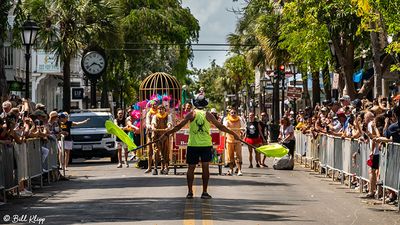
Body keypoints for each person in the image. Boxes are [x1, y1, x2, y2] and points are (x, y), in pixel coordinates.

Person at [159, 95, 241, 199]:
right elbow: (220, 126)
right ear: (204, 105)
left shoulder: (191, 114)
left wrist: (166, 134)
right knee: (205, 167)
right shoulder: (208, 114)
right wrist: (233, 133)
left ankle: (189, 192)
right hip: (205, 145)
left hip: (193, 144)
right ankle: (205, 192)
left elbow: (178, 126)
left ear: (195, 104)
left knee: (191, 168)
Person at [151, 105, 173, 175]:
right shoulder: (155, 116)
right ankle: (155, 168)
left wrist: (168, 127)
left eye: (162, 109)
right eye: (159, 109)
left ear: (164, 110)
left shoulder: (168, 116)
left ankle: (165, 167)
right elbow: (153, 123)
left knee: (165, 151)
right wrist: (153, 127)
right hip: (157, 137)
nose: (160, 110)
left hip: (165, 136)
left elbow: (169, 123)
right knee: (156, 152)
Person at [223, 108, 245, 176]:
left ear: (236, 113)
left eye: (234, 113)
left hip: (237, 141)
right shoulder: (226, 120)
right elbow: (224, 129)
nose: (233, 114)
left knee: (238, 156)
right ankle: (231, 169)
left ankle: (239, 170)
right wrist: (224, 141)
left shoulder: (240, 120)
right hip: (229, 141)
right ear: (229, 113)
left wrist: (242, 132)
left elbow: (243, 129)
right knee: (230, 156)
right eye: (232, 113)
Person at [144, 100, 158, 173]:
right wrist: (150, 126)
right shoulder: (149, 113)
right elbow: (147, 122)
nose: (153, 106)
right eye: (152, 105)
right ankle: (149, 167)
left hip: (158, 134)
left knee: (156, 151)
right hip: (150, 133)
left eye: (155, 104)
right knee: (149, 151)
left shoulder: (159, 113)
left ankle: (156, 167)